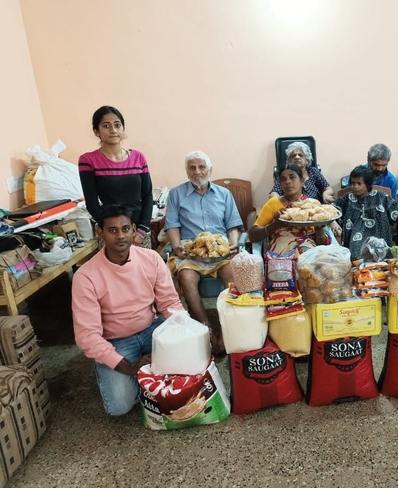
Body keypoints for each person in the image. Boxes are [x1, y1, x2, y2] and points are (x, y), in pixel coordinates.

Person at [72, 204, 184, 416]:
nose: (120, 236)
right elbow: (87, 336)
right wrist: (128, 367)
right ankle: (137, 372)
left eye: (125, 229)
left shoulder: (150, 259)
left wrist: (185, 331)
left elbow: (169, 302)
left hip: (152, 330)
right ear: (100, 232)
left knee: (192, 357)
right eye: (112, 230)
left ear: (134, 229)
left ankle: (147, 372)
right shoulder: (85, 276)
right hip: (116, 341)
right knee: (119, 407)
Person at [165, 151, 243, 353]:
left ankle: (228, 328)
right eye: (192, 167)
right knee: (186, 277)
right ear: (186, 171)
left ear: (210, 170)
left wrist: (233, 244)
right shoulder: (176, 194)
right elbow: (172, 225)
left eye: (201, 167)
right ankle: (205, 328)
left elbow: (233, 225)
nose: (197, 172)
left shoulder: (224, 194)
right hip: (191, 250)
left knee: (231, 274)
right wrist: (176, 246)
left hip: (220, 250)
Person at [78, 106, 154, 247]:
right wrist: (112, 231)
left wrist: (141, 231)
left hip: (139, 232)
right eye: (106, 126)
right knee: (112, 269)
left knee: (144, 268)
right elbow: (92, 203)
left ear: (123, 129)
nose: (113, 130)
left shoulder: (138, 157)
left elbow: (148, 196)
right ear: (96, 131)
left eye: (117, 125)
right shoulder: (88, 160)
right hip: (112, 235)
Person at [331, 166, 398, 261]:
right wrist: (333, 222)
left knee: (381, 256)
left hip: (379, 235)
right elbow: (331, 210)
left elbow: (396, 209)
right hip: (355, 236)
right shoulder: (348, 198)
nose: (355, 186)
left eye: (359, 183)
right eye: (353, 183)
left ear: (368, 184)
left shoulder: (381, 197)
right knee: (356, 256)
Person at [250, 164, 332, 254]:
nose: (287, 182)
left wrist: (318, 227)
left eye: (292, 177)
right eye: (283, 179)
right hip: (280, 254)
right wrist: (275, 225)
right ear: (280, 184)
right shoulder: (273, 203)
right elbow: (253, 235)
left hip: (308, 255)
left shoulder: (312, 206)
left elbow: (323, 244)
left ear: (302, 181)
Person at [270, 142, 335, 203]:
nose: (297, 157)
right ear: (289, 161)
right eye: (293, 156)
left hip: (315, 209)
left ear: (307, 160)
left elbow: (328, 188)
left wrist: (326, 195)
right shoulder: (285, 175)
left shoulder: (313, 172)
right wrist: (280, 202)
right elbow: (273, 193)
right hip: (292, 210)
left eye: (300, 155)